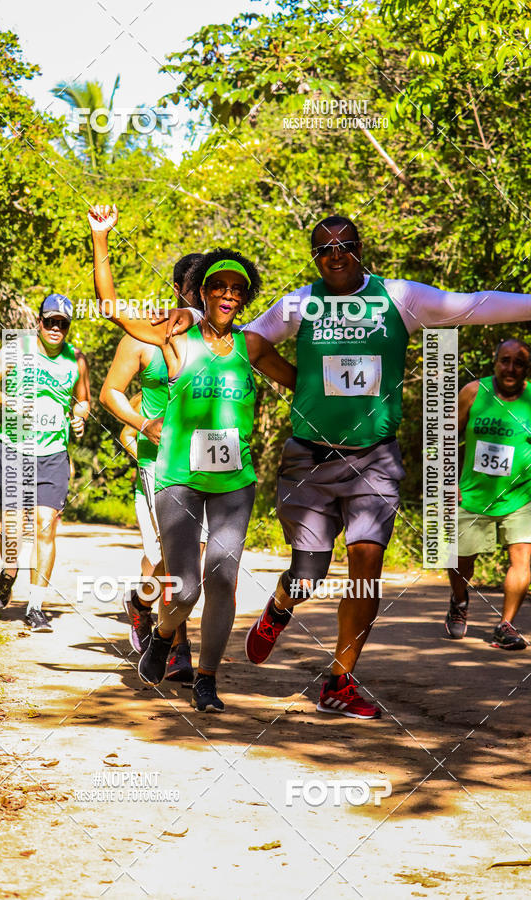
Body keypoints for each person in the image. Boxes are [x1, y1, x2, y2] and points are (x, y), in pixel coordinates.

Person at [163, 215, 531, 719]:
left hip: (374, 459)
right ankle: (280, 608)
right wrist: (189, 322)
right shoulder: (300, 303)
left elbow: (473, 304)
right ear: (315, 258)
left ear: (361, 249)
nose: (335, 255)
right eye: (323, 249)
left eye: (345, 246)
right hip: (310, 457)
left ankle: (339, 681)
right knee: (309, 574)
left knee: (365, 567)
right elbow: (243, 341)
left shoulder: (401, 297)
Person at [89, 203, 296, 711]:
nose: (229, 295)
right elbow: (113, 306)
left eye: (238, 289)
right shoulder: (176, 338)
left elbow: (306, 381)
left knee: (222, 580)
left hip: (234, 483)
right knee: (183, 591)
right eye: (218, 287)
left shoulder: (251, 345)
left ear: (245, 297)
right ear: (203, 293)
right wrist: (101, 239)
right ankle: (162, 635)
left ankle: (207, 679)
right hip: (178, 478)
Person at [104, 251, 208, 684]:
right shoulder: (144, 335)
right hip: (159, 463)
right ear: (180, 292)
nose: (209, 299)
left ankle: (142, 603)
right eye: (199, 290)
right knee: (176, 555)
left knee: (185, 559)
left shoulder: (219, 339)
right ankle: (178, 648)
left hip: (206, 460)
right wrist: (143, 424)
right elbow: (111, 392)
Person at [0, 294, 90, 632]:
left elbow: (82, 401)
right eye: (49, 321)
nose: (55, 328)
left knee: (45, 526)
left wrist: (79, 417)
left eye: (62, 324)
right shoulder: (17, 349)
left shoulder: (76, 359)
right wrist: (11, 400)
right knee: (13, 531)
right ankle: (9, 571)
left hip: (53, 453)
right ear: (38, 322)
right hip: (14, 447)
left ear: (68, 327)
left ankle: (36, 607)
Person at [445, 338, 531, 650]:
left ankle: (505, 624)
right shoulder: (473, 392)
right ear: (495, 362)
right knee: (459, 559)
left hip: (521, 495)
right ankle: (459, 598)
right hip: (472, 493)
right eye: (505, 360)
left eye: (518, 363)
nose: (510, 368)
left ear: (525, 369)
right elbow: (444, 436)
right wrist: (447, 481)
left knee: (522, 558)